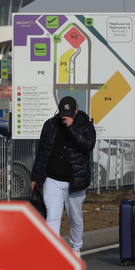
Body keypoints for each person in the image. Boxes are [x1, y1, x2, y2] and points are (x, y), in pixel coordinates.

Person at [30, 96, 97, 258]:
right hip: (53, 179)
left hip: (76, 181)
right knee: (52, 216)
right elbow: (42, 152)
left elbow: (87, 145)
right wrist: (36, 177)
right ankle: (52, 250)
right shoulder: (50, 125)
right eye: (62, 113)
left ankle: (75, 248)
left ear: (76, 110)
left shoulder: (86, 125)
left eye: (68, 113)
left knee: (75, 217)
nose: (64, 117)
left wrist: (72, 128)